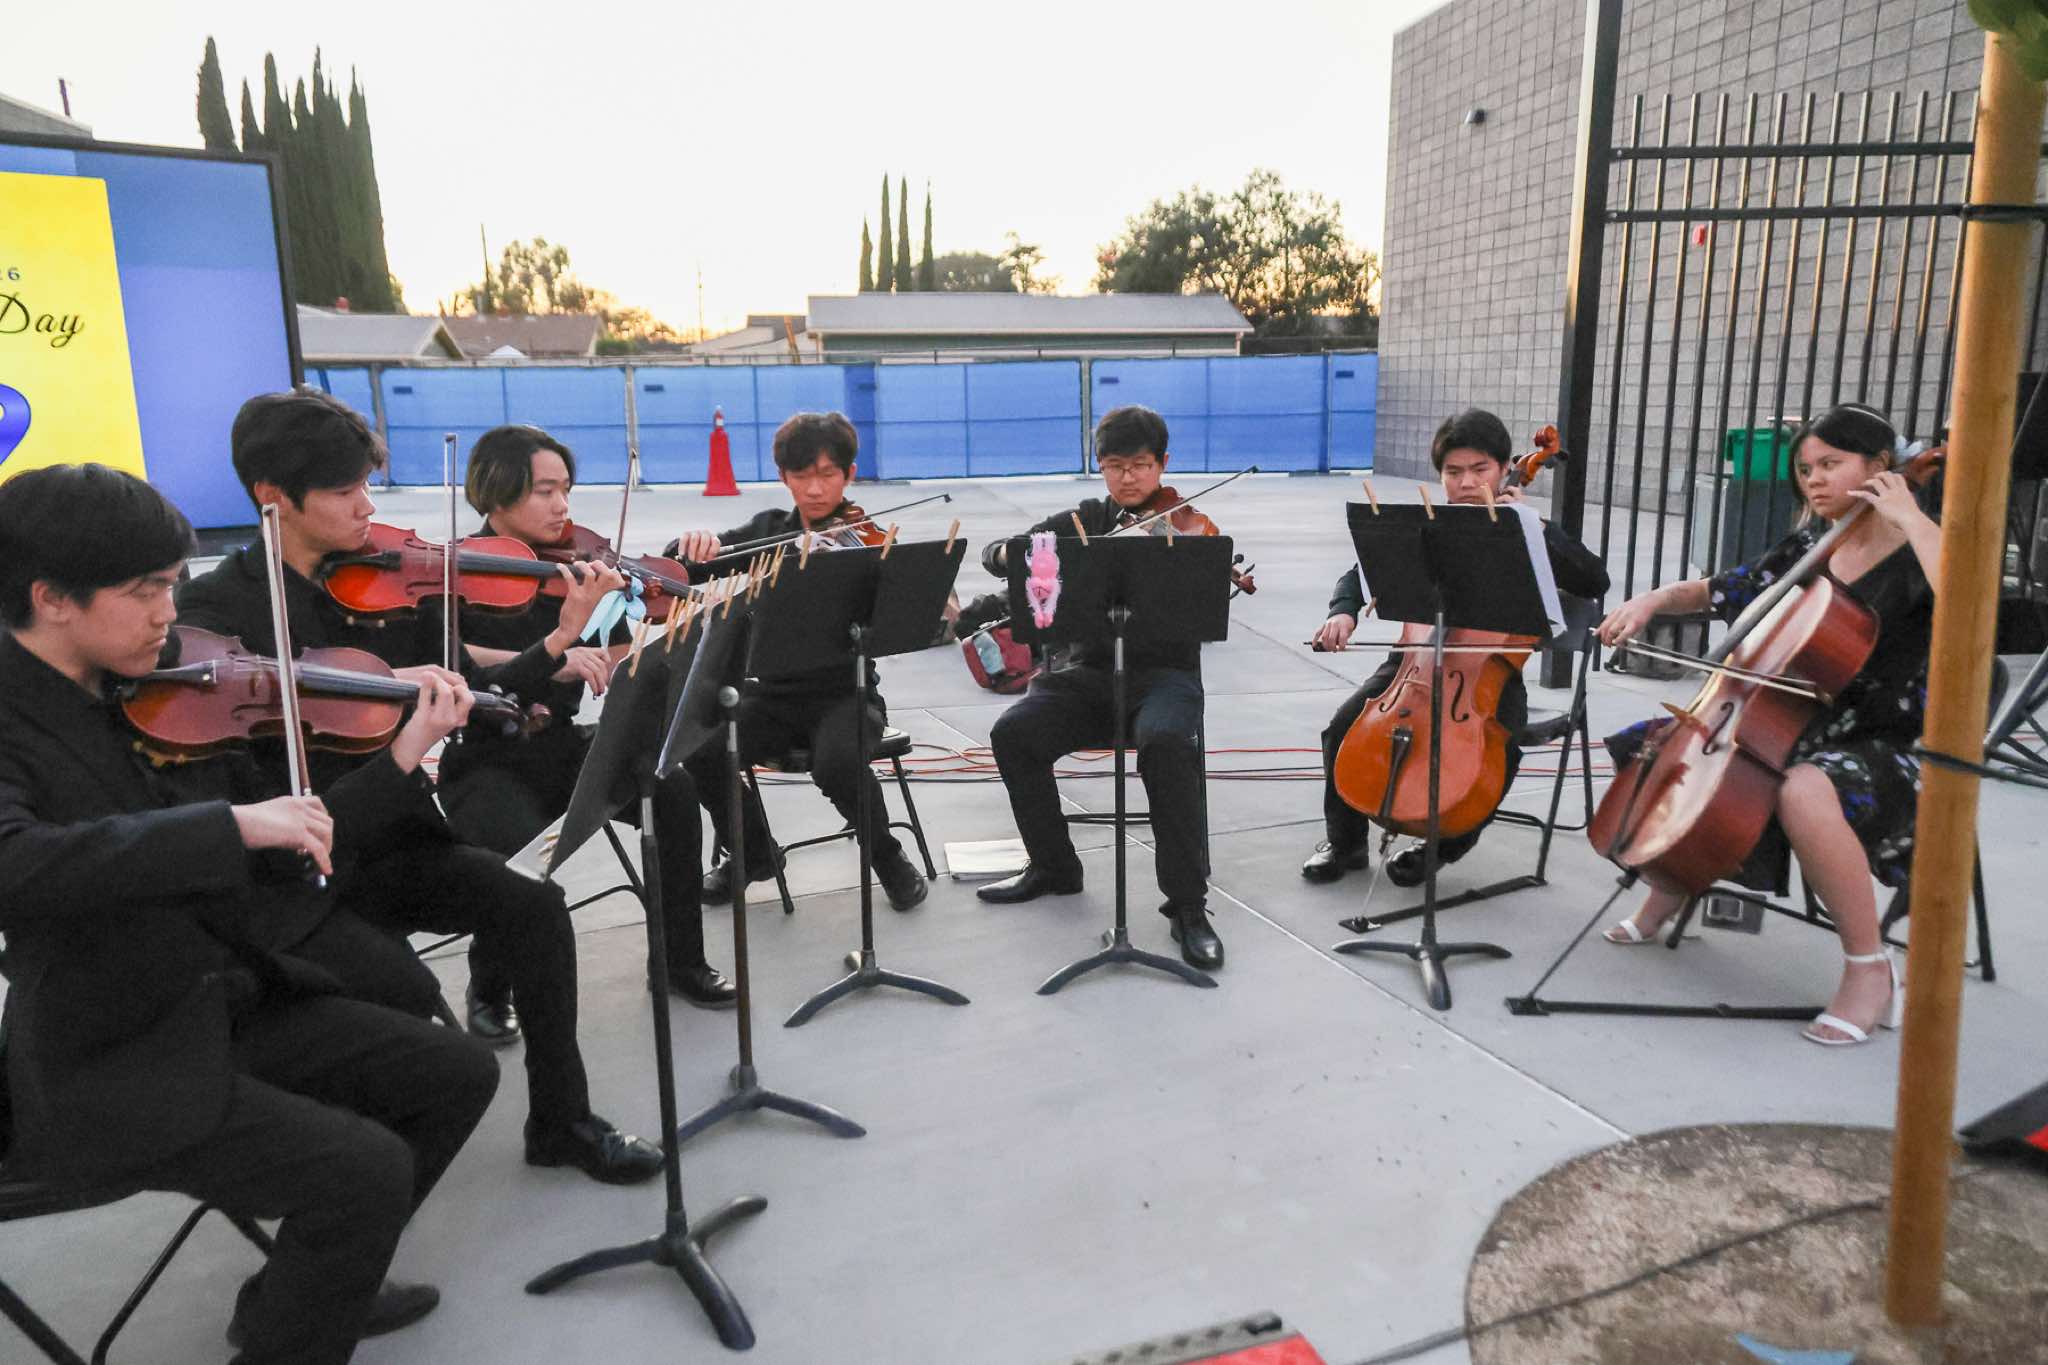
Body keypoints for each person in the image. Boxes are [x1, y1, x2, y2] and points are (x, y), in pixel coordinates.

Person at [0, 464, 498, 1365]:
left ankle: (298, 1293)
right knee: (363, 1171)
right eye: (144, 590)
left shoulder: (143, 686)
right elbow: (17, 863)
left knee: (456, 1072)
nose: (168, 613)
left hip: (216, 997)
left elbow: (289, 841)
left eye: (173, 584)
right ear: (52, 598)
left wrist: (404, 750)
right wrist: (228, 825)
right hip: (109, 1049)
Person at [176, 389, 665, 1183]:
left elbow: (475, 686)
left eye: (367, 485)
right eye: (345, 491)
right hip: (294, 872)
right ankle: (349, 1165)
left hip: (390, 839)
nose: (368, 508)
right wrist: (356, 694)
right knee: (400, 997)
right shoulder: (212, 613)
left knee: (534, 907)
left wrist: (560, 637)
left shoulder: (380, 582)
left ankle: (562, 1120)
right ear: (273, 496)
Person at [1594, 402, 1939, 1047]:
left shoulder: (1921, 546)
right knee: (1657, 747)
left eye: (1831, 463)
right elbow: (1727, 588)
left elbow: (1971, 603)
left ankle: (1869, 968)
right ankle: (1676, 876)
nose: (1815, 480)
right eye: (1805, 469)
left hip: (1877, 739)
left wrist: (1911, 517)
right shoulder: (1813, 545)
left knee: (1803, 788)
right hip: (1790, 721)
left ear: (1881, 465)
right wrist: (1652, 600)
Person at [437, 424, 736, 1019]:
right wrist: (555, 652)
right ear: (496, 493)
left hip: (561, 745)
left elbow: (623, 660)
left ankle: (677, 960)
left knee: (671, 788)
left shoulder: (580, 568)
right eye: (544, 491)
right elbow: (452, 661)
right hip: (486, 759)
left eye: (566, 490)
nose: (562, 507)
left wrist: (670, 639)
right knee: (518, 862)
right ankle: (491, 985)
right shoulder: (454, 570)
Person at [1301, 407, 1609, 887]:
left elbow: (1593, 579)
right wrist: (1342, 611)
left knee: (1500, 749)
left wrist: (1536, 527)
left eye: (1479, 469)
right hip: (1414, 664)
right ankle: (1345, 843)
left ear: (1504, 468)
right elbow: (1363, 570)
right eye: (1453, 471)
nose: (1466, 483)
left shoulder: (1525, 528)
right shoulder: (1429, 523)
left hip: (1488, 675)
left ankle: (1444, 845)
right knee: (1341, 727)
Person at [967, 405, 1223, 971]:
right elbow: (996, 554)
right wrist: (1010, 554)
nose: (1128, 478)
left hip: (1165, 676)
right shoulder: (1083, 520)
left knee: (1166, 743)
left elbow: (1205, 616)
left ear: (1162, 464)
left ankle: (1187, 905)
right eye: (1115, 466)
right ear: (1100, 466)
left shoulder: (1189, 528)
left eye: (1140, 465)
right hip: (1087, 674)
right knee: (1015, 733)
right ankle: (1054, 866)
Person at [666, 411, 930, 913]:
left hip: (846, 695)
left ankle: (888, 857)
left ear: (849, 475)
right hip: (770, 697)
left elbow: (915, 610)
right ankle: (753, 852)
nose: (815, 488)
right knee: (699, 746)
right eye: (802, 475)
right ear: (783, 477)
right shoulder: (768, 531)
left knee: (837, 762)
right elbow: (689, 570)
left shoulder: (868, 538)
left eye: (828, 474)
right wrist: (688, 547)